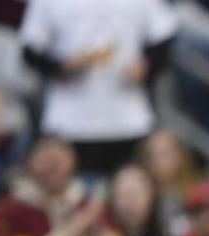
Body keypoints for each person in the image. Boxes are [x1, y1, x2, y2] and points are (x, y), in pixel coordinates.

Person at [18, 0, 175, 176]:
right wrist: (61, 67)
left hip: (127, 117)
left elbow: (165, 36)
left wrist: (147, 66)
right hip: (69, 119)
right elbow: (30, 49)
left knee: (129, 189)